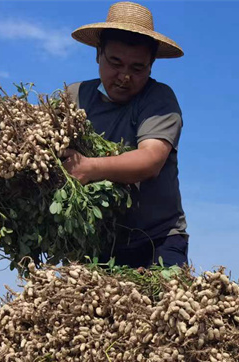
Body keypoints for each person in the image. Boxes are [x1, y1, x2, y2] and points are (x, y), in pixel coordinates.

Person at [64, 1, 188, 268]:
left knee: (168, 304)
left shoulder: (158, 99)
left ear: (151, 65)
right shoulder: (74, 98)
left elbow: (150, 160)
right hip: (95, 242)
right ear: (98, 54)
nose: (124, 77)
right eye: (115, 63)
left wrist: (89, 168)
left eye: (137, 68)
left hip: (158, 240)